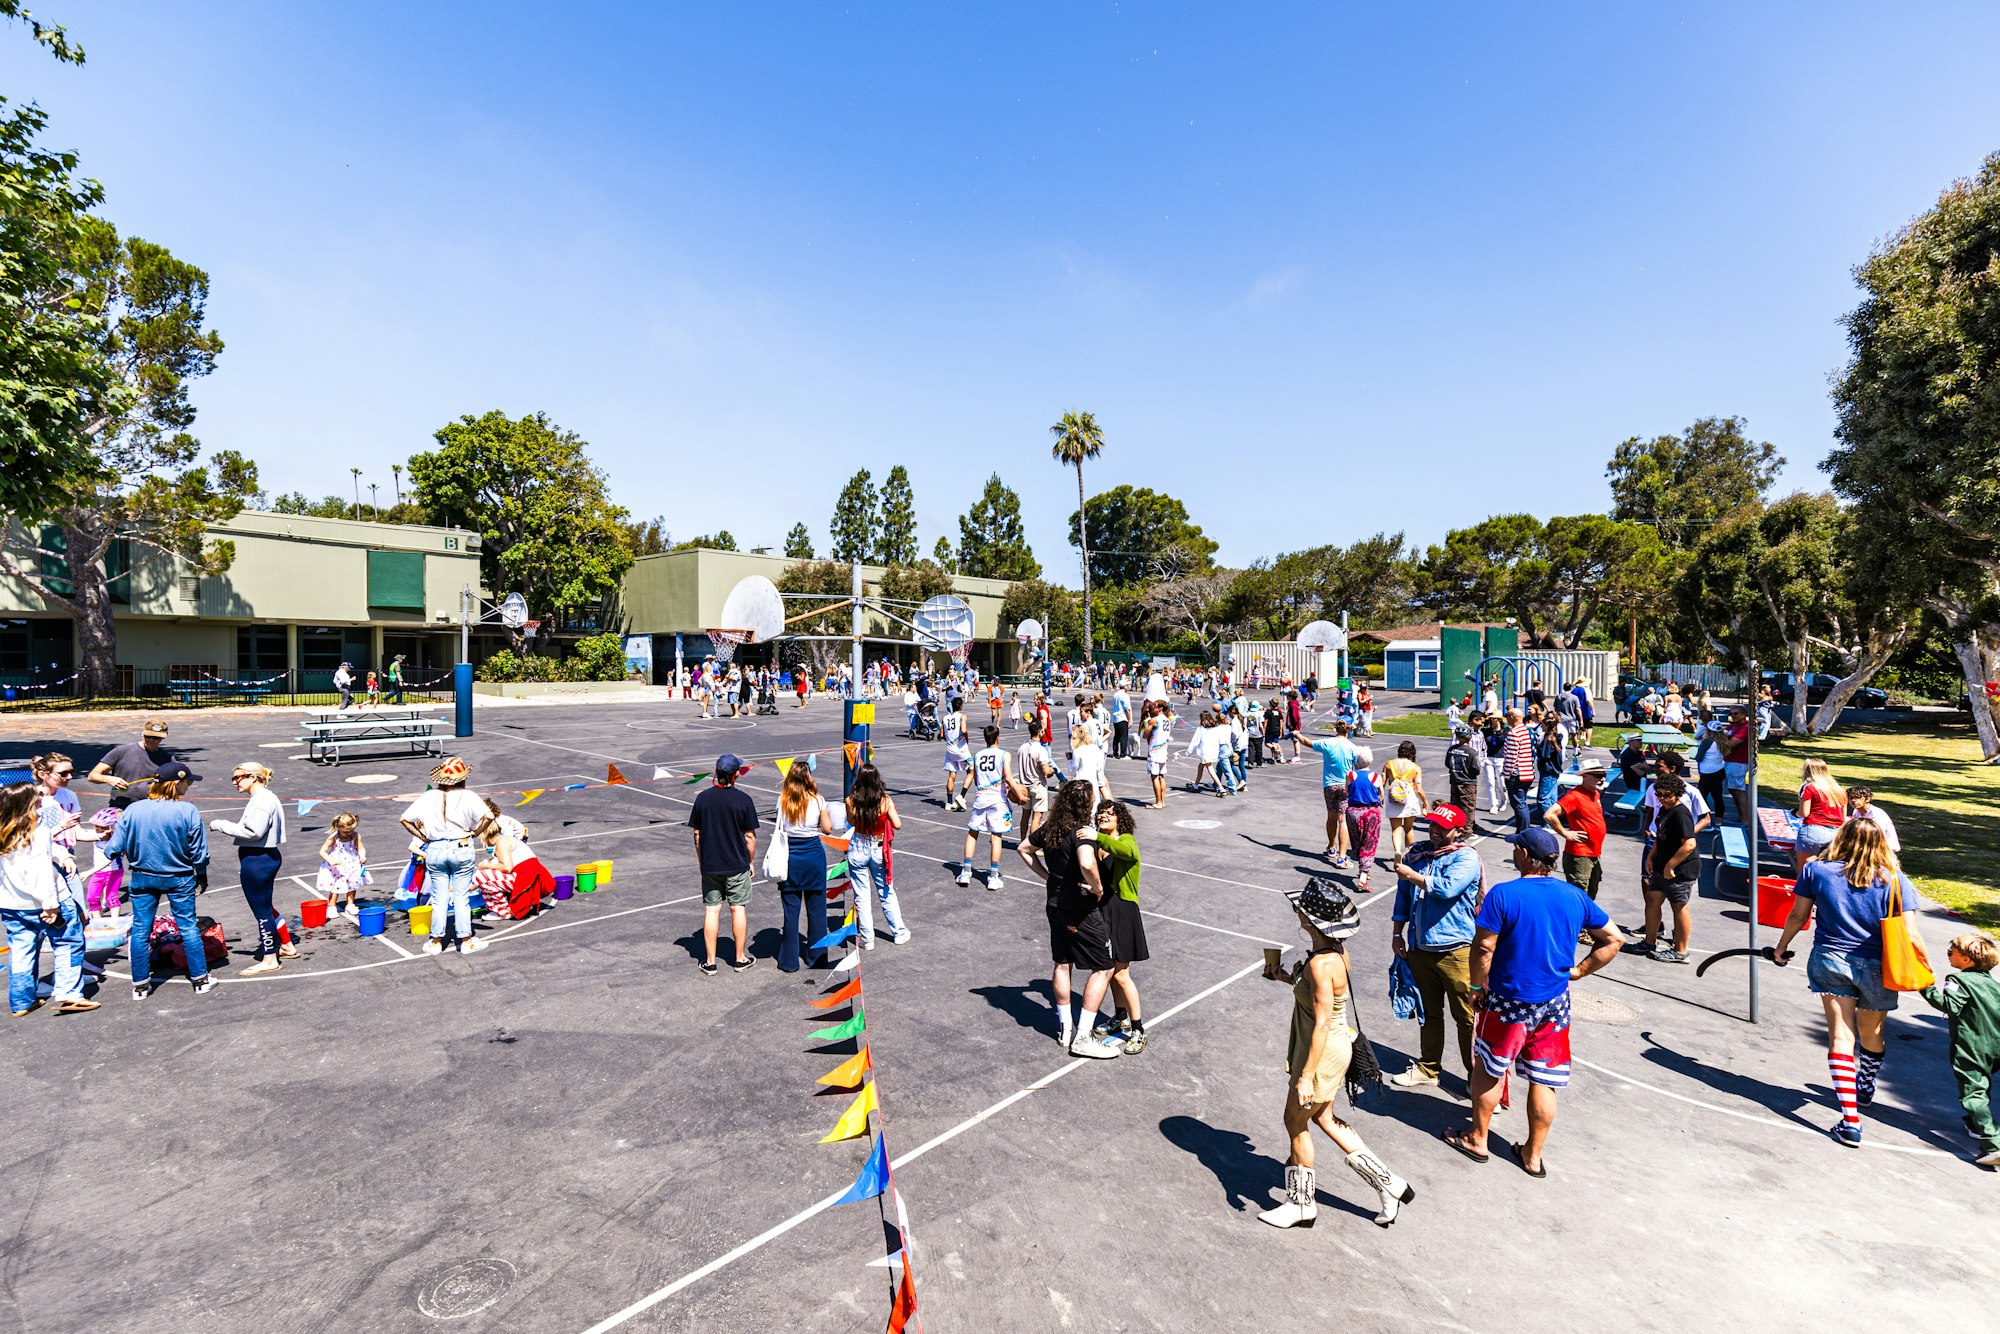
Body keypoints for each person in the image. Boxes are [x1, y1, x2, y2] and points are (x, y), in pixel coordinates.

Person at [1442, 827, 1622, 1174]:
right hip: (1554, 1002)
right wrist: (1580, 971)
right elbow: (1613, 939)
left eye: (1516, 849)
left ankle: (1477, 1138)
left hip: (1508, 1000)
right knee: (1544, 1080)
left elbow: (1483, 947)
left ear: (1525, 855)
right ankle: (1533, 1155)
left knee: (1489, 1069)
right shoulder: (1573, 896)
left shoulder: (1504, 894)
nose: (1513, 853)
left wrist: (1476, 986)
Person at [1258, 877, 1415, 1230]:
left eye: (1301, 909)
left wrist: (1305, 1076)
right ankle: (1390, 1184)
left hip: (1322, 1049)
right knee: (1325, 1119)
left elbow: (1323, 1022)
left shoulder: (1319, 963)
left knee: (1295, 1121)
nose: (1297, 911)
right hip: (1333, 1046)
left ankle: (1301, 1205)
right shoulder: (1335, 953)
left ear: (1311, 920)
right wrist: (1285, 977)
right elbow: (1321, 1000)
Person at [1771, 819, 1920, 1147]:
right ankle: (1864, 1086)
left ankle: (1850, 1121)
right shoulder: (1895, 880)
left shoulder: (1816, 871)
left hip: (1831, 958)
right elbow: (1909, 933)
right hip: (1880, 965)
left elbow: (1798, 916)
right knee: (1872, 1033)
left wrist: (1782, 948)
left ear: (1841, 838)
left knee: (1840, 1034)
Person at [1018, 780, 1122, 1059]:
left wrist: (1047, 876)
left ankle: (1065, 1028)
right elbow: (1087, 862)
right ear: (1087, 804)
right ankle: (1083, 1037)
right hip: (1079, 908)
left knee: (1062, 964)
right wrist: (1098, 888)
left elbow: (1023, 849)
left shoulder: (1051, 829)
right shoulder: (1081, 833)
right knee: (1103, 967)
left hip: (1054, 904)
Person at [103, 761, 217, 1000]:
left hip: (142, 876)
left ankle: (140, 986)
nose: (190, 785)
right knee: (187, 927)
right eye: (188, 781)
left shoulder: (133, 810)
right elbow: (199, 851)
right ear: (176, 784)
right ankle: (200, 979)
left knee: (141, 930)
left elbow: (113, 848)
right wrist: (202, 874)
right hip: (179, 877)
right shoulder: (187, 811)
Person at [1389, 804, 1481, 1088]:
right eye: (1432, 824)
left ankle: (1477, 1078)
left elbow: (1446, 888)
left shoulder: (1466, 858)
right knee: (1429, 1013)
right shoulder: (1418, 855)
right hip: (1420, 948)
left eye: (1442, 827)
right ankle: (1429, 1069)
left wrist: (1411, 875)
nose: (1435, 830)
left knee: (1468, 1019)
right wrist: (1396, 933)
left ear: (1459, 831)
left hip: (1455, 950)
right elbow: (1403, 897)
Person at [1, 782, 91, 1015]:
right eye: (37, 796)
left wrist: (62, 856)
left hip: (11, 903)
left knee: (21, 949)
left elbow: (46, 850)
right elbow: (42, 868)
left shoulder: (6, 832)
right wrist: (51, 905)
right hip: (48, 902)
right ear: (28, 804)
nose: (42, 798)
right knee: (68, 943)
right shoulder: (37, 833)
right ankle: (69, 994)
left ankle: (22, 1001)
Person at [1915, 933, 2000, 1168]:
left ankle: (1993, 1143)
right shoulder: (1994, 985)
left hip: (1971, 1045)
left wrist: (1926, 988)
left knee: (1973, 1092)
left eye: (1951, 952)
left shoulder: (1958, 979)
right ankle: (1974, 1125)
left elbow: (1949, 1005)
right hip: (1995, 1046)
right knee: (1983, 1082)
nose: (1948, 955)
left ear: (1967, 959)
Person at [398, 757, 493, 956]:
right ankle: (466, 940)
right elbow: (489, 817)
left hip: (435, 848)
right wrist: (476, 832)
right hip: (462, 846)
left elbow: (405, 819)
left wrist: (422, 836)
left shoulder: (429, 796)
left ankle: (436, 941)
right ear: (462, 778)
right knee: (461, 897)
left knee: (439, 897)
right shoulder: (468, 796)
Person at [211, 762, 294, 975]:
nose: (235, 782)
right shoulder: (264, 798)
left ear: (254, 777)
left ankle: (269, 959)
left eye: (239, 777)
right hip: (262, 857)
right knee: (265, 906)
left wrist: (220, 824)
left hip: (257, 859)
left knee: (262, 912)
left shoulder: (262, 801)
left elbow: (254, 832)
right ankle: (286, 945)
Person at [688, 754, 759, 975]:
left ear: (716, 773)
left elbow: (697, 835)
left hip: (711, 865)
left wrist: (702, 860)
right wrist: (750, 861)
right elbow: (750, 837)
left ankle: (710, 962)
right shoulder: (743, 800)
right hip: (736, 864)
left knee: (712, 910)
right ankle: (740, 958)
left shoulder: (702, 799)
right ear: (736, 775)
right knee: (737, 908)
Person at [1088, 800, 1150, 1053]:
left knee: (1122, 973)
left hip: (1123, 910)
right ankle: (1120, 1017)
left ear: (1119, 820)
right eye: (1101, 813)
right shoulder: (1098, 844)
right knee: (1108, 968)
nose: (1103, 816)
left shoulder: (1125, 840)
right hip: (1104, 909)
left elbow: (1128, 854)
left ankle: (1138, 1030)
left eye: (1110, 814)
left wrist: (1098, 839)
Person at [772, 762, 834, 973]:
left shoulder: (783, 800)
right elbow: (827, 829)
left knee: (791, 912)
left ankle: (789, 961)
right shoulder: (818, 800)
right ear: (808, 778)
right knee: (817, 911)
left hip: (790, 859)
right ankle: (817, 957)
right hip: (813, 857)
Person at [843, 764, 910, 948]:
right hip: (878, 846)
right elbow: (897, 824)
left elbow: (851, 822)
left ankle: (867, 939)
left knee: (861, 896)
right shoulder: (885, 800)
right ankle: (898, 932)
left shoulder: (851, 801)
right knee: (886, 891)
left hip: (858, 845)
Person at [1638, 773, 1701, 963]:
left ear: (1678, 794)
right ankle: (1649, 942)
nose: (1662, 798)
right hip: (1661, 865)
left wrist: (1671, 865)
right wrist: (1651, 856)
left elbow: (1689, 844)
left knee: (1679, 906)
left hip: (1680, 870)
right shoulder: (1665, 810)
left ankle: (1680, 951)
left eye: (1667, 795)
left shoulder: (1681, 814)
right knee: (1652, 899)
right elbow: (1660, 835)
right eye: (1659, 794)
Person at [956, 725, 1027, 891]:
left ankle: (966, 872)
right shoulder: (1004, 755)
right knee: (996, 837)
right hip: (998, 800)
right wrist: (1020, 795)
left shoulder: (977, 755)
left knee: (973, 833)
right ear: (998, 738)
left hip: (981, 798)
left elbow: (976, 780)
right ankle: (993, 877)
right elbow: (1009, 778)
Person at [1544, 760, 1608, 903]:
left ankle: (1585, 924)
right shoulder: (1575, 796)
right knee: (1579, 897)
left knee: (1590, 895)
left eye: (1603, 775)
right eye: (1597, 775)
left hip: (1594, 853)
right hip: (1580, 855)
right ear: (1584, 776)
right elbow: (1549, 815)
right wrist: (1566, 833)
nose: (1602, 779)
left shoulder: (1595, 794)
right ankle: (1578, 925)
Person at [1302, 722, 1361, 863]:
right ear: (1348, 732)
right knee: (1343, 820)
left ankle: (1332, 847)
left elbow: (1307, 742)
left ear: (1336, 730)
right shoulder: (1353, 747)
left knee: (1331, 817)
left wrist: (1297, 734)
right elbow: (1358, 767)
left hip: (1330, 785)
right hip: (1345, 785)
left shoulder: (1327, 743)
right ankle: (1342, 856)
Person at [85, 717, 174, 810]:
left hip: (151, 808)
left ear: (164, 737)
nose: (151, 740)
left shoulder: (167, 759)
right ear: (142, 733)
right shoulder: (121, 751)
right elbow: (92, 776)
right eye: (148, 736)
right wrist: (108, 779)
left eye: (156, 737)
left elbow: (181, 783)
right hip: (122, 807)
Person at [475, 820, 554, 920]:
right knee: (488, 874)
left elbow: (507, 868)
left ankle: (503, 911)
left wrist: (487, 865)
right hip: (532, 878)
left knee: (482, 876)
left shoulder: (501, 844)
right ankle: (503, 905)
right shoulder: (507, 839)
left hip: (525, 880)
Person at [1794, 757, 1849, 873]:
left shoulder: (1809, 787)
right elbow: (1843, 817)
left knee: (1804, 872)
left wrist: (1795, 813)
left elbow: (1804, 812)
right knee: (1827, 872)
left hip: (1813, 830)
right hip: (1835, 834)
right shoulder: (1840, 790)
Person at [1380, 740, 1428, 872]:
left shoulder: (1388, 764)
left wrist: (1381, 797)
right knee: (1409, 829)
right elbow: (1418, 789)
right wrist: (1425, 803)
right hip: (1409, 798)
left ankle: (1397, 851)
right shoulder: (1415, 767)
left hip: (1394, 798)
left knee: (1396, 829)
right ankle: (1409, 856)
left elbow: (1382, 783)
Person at [316, 813, 370, 920]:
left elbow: (360, 848)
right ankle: (331, 907)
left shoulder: (355, 836)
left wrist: (362, 856)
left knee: (353, 884)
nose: (348, 833)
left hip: (352, 863)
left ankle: (350, 904)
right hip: (338, 865)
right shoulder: (333, 837)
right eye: (345, 831)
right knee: (336, 886)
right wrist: (330, 860)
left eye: (350, 831)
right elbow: (322, 851)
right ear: (339, 827)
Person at [1344, 762, 1384, 892]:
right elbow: (1381, 795)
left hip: (1353, 812)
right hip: (1370, 812)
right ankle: (1363, 877)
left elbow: (1347, 791)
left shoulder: (1350, 775)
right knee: (1369, 843)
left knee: (1357, 841)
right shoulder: (1375, 776)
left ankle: (1364, 868)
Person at [1499, 708, 1537, 834]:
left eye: (1508, 716)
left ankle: (1523, 831)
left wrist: (1507, 774)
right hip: (1528, 772)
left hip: (1516, 774)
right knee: (1522, 802)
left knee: (1518, 804)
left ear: (1513, 717)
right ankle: (1522, 829)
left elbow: (1511, 756)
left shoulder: (1513, 733)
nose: (1507, 719)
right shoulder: (1528, 731)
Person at [1846, 786, 1901, 853]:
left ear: (1867, 799)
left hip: (1884, 849)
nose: (1853, 800)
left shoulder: (1876, 815)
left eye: (1858, 798)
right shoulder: (1856, 811)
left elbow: (1877, 836)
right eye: (1851, 798)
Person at [941, 696, 973, 811]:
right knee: (971, 771)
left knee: (952, 775)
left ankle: (949, 802)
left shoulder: (945, 718)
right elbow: (963, 730)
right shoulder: (962, 716)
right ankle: (961, 796)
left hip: (950, 749)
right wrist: (966, 739)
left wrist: (950, 740)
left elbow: (941, 735)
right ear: (961, 706)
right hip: (961, 749)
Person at [1444, 723, 1480, 816]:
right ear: (1470, 737)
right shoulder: (1471, 752)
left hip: (1454, 781)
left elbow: (1447, 763)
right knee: (1468, 807)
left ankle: (1456, 826)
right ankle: (1467, 829)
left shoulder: (1451, 749)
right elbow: (1476, 769)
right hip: (1468, 783)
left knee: (1455, 806)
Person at [1144, 702, 1174, 809]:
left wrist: (1147, 724)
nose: (1151, 710)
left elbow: (1145, 735)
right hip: (1163, 750)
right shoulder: (1167, 720)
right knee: (1162, 776)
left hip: (1155, 751)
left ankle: (1158, 802)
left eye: (1153, 708)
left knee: (1155, 777)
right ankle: (1162, 801)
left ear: (1160, 708)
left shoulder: (1155, 720)